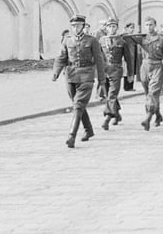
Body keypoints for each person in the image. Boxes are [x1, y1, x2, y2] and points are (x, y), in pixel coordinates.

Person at [52, 14, 106, 148]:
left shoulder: (92, 40)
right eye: (73, 26)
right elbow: (61, 58)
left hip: (86, 75)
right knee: (78, 105)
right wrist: (56, 72)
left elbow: (99, 61)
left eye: (78, 26)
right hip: (70, 76)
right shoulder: (67, 40)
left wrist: (101, 80)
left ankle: (71, 136)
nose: (76, 28)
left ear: (83, 26)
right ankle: (88, 130)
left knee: (78, 105)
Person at [134, 16, 163, 130]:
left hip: (157, 66)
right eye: (147, 25)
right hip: (144, 67)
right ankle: (158, 115)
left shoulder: (162, 39)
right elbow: (127, 41)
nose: (149, 27)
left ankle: (147, 118)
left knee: (152, 94)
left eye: (151, 25)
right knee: (148, 94)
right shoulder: (141, 39)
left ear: (155, 26)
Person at [99, 17, 133, 130]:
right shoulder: (102, 40)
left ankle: (107, 118)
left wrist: (130, 74)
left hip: (116, 70)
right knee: (107, 94)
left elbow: (129, 59)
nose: (111, 28)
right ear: (106, 28)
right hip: (105, 70)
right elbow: (98, 57)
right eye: (109, 26)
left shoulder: (122, 42)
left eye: (114, 26)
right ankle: (117, 115)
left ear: (117, 28)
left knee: (112, 94)